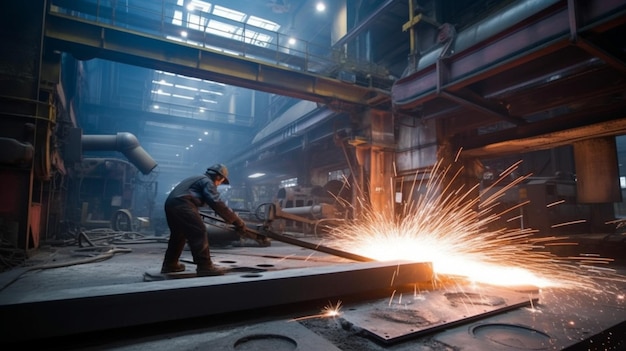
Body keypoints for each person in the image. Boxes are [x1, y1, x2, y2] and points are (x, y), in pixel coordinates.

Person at [161, 163, 246, 276]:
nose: (218, 185)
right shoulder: (207, 181)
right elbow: (216, 202)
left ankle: (170, 264)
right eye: (220, 182)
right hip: (183, 204)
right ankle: (205, 266)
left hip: (171, 204)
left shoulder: (197, 178)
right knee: (199, 231)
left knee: (178, 235)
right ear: (218, 177)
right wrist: (237, 221)